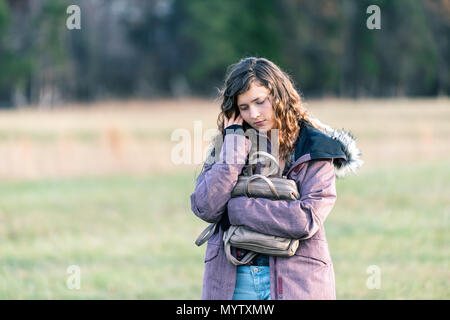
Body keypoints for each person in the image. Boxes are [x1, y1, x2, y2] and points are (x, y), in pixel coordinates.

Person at [190, 57, 363, 300]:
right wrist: (233, 149)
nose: (254, 114)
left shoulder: (315, 146)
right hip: (234, 282)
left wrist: (237, 209)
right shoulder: (229, 144)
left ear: (279, 94)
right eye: (244, 107)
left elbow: (304, 220)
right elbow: (206, 206)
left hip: (299, 283)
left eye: (260, 102)